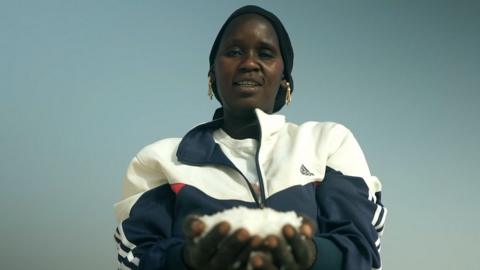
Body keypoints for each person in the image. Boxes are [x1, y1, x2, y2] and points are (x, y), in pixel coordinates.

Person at [114, 5, 386, 270]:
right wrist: (188, 258)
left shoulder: (327, 143)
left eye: (265, 53)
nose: (248, 64)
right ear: (212, 75)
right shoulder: (160, 161)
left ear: (284, 80)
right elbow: (136, 258)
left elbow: (362, 249)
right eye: (233, 52)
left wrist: (308, 255)